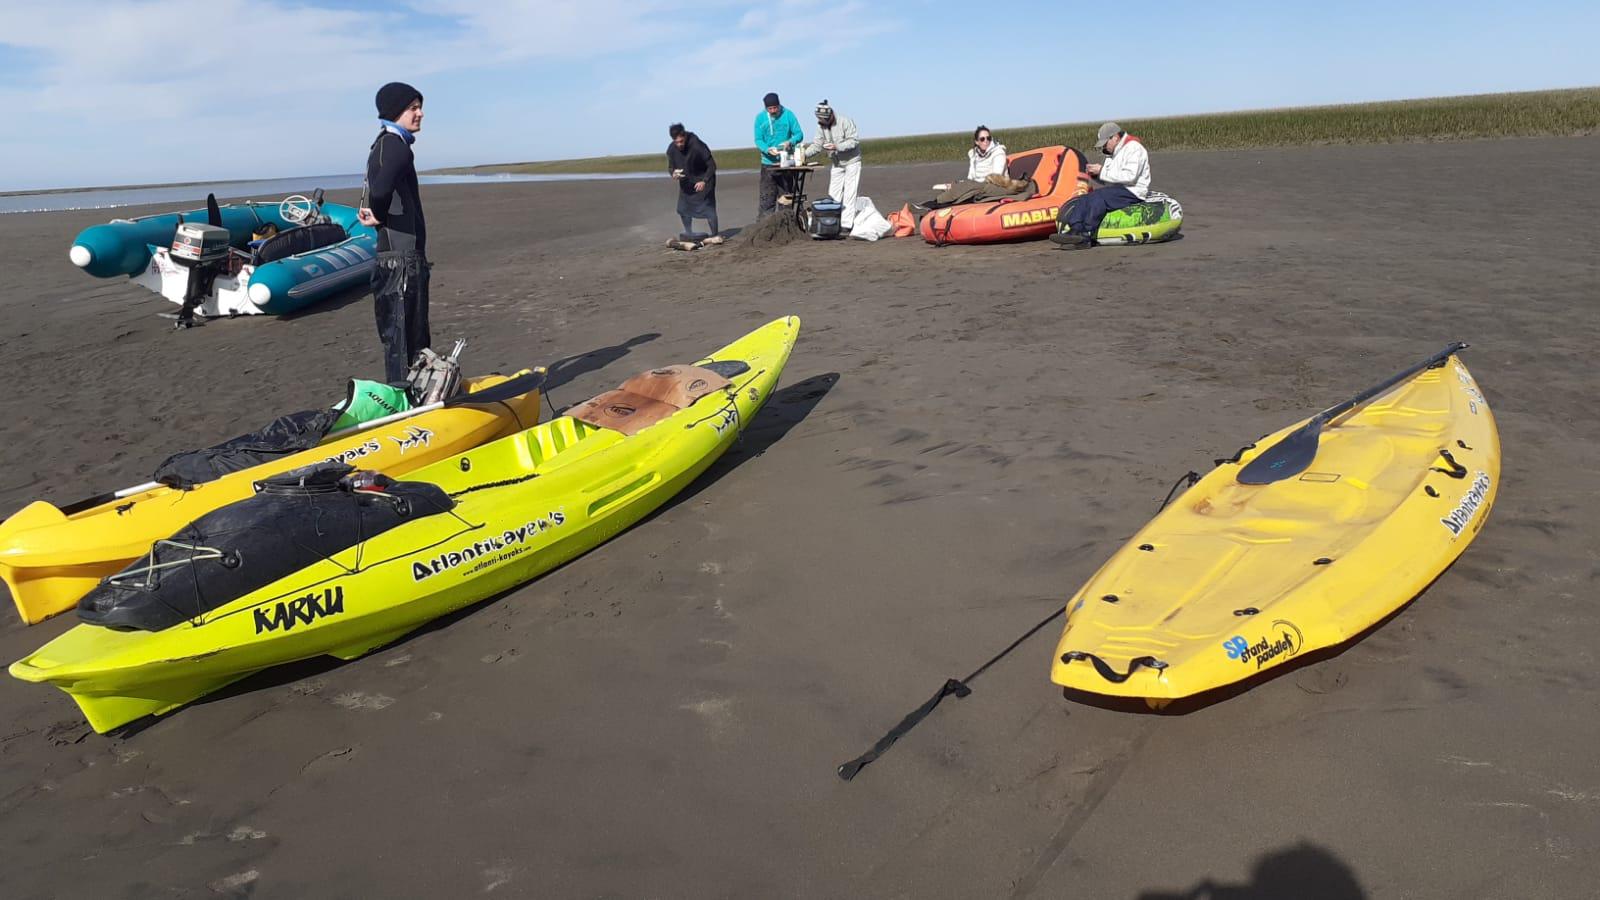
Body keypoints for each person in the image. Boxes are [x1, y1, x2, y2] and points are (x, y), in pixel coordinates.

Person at [359, 81, 431, 383]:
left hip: (399, 257)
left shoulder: (385, 145)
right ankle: (408, 402)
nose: (420, 113)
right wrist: (378, 211)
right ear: (395, 112)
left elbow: (380, 190)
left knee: (404, 337)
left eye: (419, 107)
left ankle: (415, 394)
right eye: (413, 108)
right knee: (406, 340)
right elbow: (381, 188)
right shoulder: (395, 147)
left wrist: (378, 212)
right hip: (400, 261)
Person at [1057, 121, 1151, 249]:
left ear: (1115, 137)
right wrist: (1095, 175)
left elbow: (1130, 177)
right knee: (1085, 197)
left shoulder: (1134, 148)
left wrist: (1101, 171)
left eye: (1105, 143)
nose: (1104, 147)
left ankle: (1086, 235)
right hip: (1118, 189)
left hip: (1133, 191)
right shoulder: (1112, 153)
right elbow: (1109, 179)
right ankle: (1075, 229)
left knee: (1099, 198)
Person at [802, 100, 861, 227]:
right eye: (820, 120)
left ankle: (846, 224)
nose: (823, 122)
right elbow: (817, 145)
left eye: (825, 120)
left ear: (831, 116)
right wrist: (803, 155)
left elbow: (854, 141)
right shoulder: (820, 127)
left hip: (852, 161)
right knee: (833, 194)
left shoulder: (845, 121)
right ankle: (833, 222)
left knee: (850, 194)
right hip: (836, 163)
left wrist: (837, 146)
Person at [753, 92, 804, 217]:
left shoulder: (788, 115)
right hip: (768, 164)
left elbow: (799, 134)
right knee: (767, 199)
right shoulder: (760, 118)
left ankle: (786, 226)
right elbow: (758, 139)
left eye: (775, 108)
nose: (773, 111)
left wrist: (790, 142)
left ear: (779, 105)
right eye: (770, 109)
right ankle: (765, 226)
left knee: (786, 198)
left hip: (785, 164)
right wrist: (767, 149)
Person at [666, 123, 719, 241]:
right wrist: (673, 174)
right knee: (683, 208)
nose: (679, 144)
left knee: (708, 208)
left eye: (681, 141)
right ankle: (689, 234)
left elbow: (712, 165)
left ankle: (715, 235)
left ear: (684, 136)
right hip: (687, 182)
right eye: (677, 142)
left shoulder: (697, 145)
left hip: (704, 179)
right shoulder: (671, 149)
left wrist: (704, 181)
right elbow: (671, 168)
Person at [932, 126, 1008, 191]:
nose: (986, 141)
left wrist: (973, 185)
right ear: (977, 142)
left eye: (988, 138)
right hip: (977, 185)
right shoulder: (973, 155)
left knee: (961, 190)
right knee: (956, 188)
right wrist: (965, 184)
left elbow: (996, 177)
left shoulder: (998, 153)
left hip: (995, 186)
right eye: (982, 139)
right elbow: (971, 177)